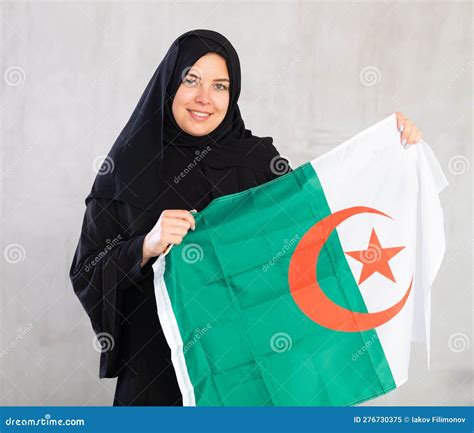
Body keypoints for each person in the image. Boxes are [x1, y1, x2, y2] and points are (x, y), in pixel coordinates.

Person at [69, 29, 422, 406]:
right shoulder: (125, 169)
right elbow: (87, 271)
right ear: (169, 85)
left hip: (253, 376)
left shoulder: (257, 162)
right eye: (191, 80)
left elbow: (314, 232)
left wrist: (382, 151)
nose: (205, 98)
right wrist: (145, 246)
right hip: (159, 377)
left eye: (220, 86)